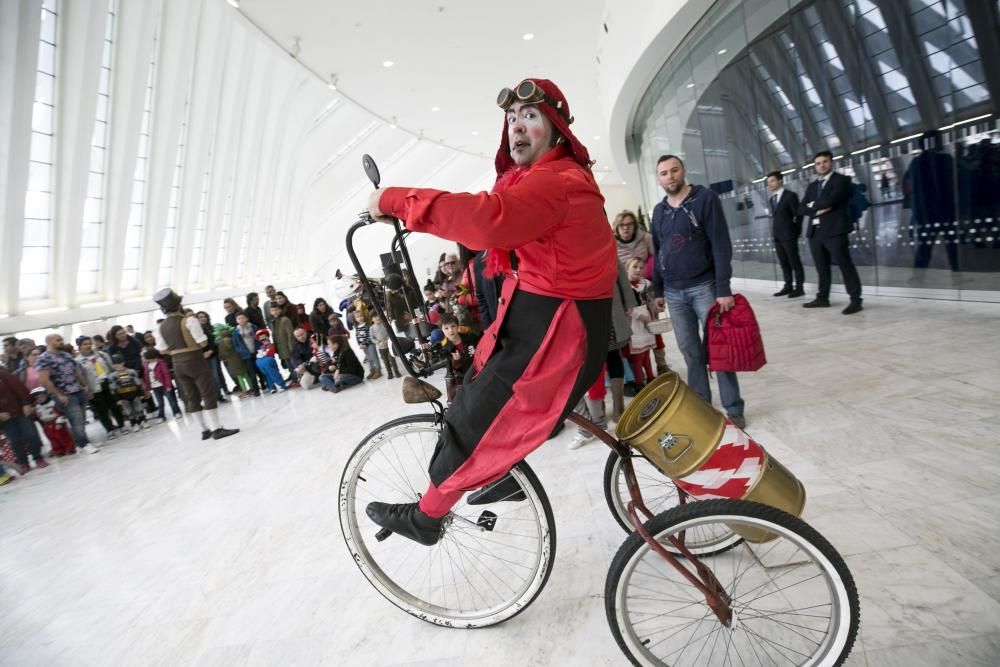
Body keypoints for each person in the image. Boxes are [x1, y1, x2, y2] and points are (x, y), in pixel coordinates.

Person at [363, 77, 617, 545]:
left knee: (472, 418)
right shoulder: (551, 181)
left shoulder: (554, 183)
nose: (517, 127)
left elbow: (485, 220)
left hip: (557, 333)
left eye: (530, 117)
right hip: (547, 321)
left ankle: (426, 518)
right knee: (472, 390)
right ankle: (499, 471)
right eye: (511, 119)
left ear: (557, 129)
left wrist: (394, 200)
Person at [651, 154, 746, 429]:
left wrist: (723, 288)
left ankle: (733, 407)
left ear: (683, 171)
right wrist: (658, 290)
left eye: (674, 170)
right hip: (674, 293)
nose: (670, 177)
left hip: (705, 287)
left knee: (719, 348)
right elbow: (659, 253)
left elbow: (720, 244)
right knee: (690, 351)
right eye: (664, 173)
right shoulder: (659, 211)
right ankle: (703, 404)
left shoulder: (705, 199)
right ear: (659, 179)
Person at [153, 289, 239, 440]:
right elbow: (203, 342)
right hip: (195, 360)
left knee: (191, 397)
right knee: (208, 393)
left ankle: (204, 430)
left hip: (177, 363)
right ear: (178, 305)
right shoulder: (189, 321)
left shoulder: (160, 327)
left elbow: (162, 350)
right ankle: (217, 429)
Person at [798, 150, 864, 314]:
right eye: (818, 163)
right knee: (821, 267)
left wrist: (812, 205)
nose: (821, 165)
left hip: (835, 230)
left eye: (825, 162)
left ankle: (856, 300)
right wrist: (816, 209)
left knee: (845, 265)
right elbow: (801, 208)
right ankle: (822, 298)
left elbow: (831, 200)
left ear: (831, 162)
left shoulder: (841, 180)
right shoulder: (813, 186)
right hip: (815, 232)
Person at [36, 333, 101, 454]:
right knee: (76, 419)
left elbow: (76, 371)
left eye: (61, 339)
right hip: (65, 395)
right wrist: (59, 395)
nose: (61, 342)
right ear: (49, 342)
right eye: (58, 340)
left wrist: (85, 385)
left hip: (78, 390)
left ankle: (83, 442)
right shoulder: (44, 359)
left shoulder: (66, 355)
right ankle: (84, 444)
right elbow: (44, 380)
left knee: (81, 419)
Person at [76, 336, 127, 438]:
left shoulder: (102, 355)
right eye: (85, 344)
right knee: (101, 410)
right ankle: (109, 430)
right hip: (94, 387)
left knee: (115, 406)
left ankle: (122, 426)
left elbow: (111, 368)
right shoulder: (78, 361)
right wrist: (86, 390)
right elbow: (80, 376)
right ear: (80, 347)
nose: (88, 346)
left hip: (108, 383)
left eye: (90, 343)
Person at [0, 366, 48, 473]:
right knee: (14, 440)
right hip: (4, 418)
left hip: (21, 410)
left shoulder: (3, 373)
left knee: (31, 434)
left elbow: (19, 388)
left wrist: (26, 404)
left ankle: (38, 458)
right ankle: (23, 463)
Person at [765, 170, 805, 298]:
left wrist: (796, 231)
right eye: (768, 182)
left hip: (789, 235)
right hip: (777, 236)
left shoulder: (790, 196)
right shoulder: (772, 199)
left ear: (780, 181)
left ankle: (799, 288)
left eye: (772, 181)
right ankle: (788, 286)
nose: (770, 184)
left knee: (794, 262)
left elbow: (798, 215)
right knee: (784, 262)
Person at [623, 257, 655, 390]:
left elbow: (650, 300)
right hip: (633, 323)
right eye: (635, 267)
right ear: (627, 269)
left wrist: (654, 309)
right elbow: (625, 308)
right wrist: (639, 315)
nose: (638, 270)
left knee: (647, 352)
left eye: (641, 267)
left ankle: (651, 378)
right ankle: (639, 382)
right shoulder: (624, 286)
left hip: (646, 320)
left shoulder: (646, 283)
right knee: (638, 356)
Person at [30, 386, 76, 456]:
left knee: (64, 436)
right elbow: (36, 416)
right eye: (36, 398)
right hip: (46, 424)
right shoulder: (37, 407)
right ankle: (59, 450)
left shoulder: (53, 403)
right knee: (52, 438)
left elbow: (61, 413)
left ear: (46, 394)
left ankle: (70, 448)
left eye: (40, 396)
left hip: (56, 422)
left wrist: (59, 422)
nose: (39, 399)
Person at [108, 354, 149, 431]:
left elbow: (138, 383)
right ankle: (134, 424)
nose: (117, 366)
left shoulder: (131, 372)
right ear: (112, 365)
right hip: (123, 397)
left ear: (123, 363)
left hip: (134, 394)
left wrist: (141, 394)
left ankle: (143, 421)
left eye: (119, 363)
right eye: (115, 364)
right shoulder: (112, 376)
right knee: (128, 411)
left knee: (139, 408)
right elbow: (113, 389)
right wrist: (117, 399)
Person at [142, 348, 182, 423]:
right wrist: (148, 387)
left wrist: (168, 385)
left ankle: (176, 412)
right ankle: (161, 416)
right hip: (155, 387)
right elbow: (146, 376)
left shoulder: (161, 363)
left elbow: (166, 375)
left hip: (164, 385)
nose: (148, 360)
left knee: (172, 400)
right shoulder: (146, 366)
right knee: (160, 403)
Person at [216, 323, 254, 396]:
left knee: (239, 376)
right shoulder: (233, 340)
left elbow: (222, 354)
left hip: (231, 361)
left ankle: (244, 390)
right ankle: (252, 388)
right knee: (245, 374)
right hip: (239, 358)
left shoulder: (221, 343)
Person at [268, 302, 299, 386]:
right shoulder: (273, 321)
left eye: (276, 310)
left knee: (294, 364)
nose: (275, 312)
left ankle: (298, 379)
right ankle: (294, 380)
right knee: (289, 366)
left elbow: (290, 333)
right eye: (273, 310)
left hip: (288, 346)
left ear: (280, 310)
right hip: (281, 347)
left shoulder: (285, 319)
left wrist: (291, 346)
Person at [253, 329, 287, 393]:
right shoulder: (261, 347)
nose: (262, 338)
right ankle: (271, 387)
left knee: (273, 373)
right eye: (260, 337)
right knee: (267, 375)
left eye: (263, 336)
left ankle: (281, 385)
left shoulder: (271, 345)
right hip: (261, 362)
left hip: (269, 360)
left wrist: (265, 353)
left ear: (267, 336)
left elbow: (272, 351)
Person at [352, 310, 382, 380]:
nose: (360, 318)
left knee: (374, 356)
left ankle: (378, 370)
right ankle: (372, 370)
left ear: (364, 316)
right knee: (369, 358)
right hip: (363, 346)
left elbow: (370, 336)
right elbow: (358, 336)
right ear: (355, 319)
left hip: (370, 344)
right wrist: (359, 344)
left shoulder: (367, 325)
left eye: (361, 316)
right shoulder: (357, 327)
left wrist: (365, 343)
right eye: (357, 317)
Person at [370, 313, 400, 380]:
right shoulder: (371, 328)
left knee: (392, 359)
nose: (377, 318)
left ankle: (396, 371)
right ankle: (389, 373)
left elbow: (390, 332)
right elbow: (372, 338)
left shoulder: (385, 324)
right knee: (386, 361)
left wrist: (388, 340)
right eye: (374, 317)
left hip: (389, 345)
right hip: (381, 348)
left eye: (378, 316)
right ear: (372, 319)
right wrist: (378, 342)